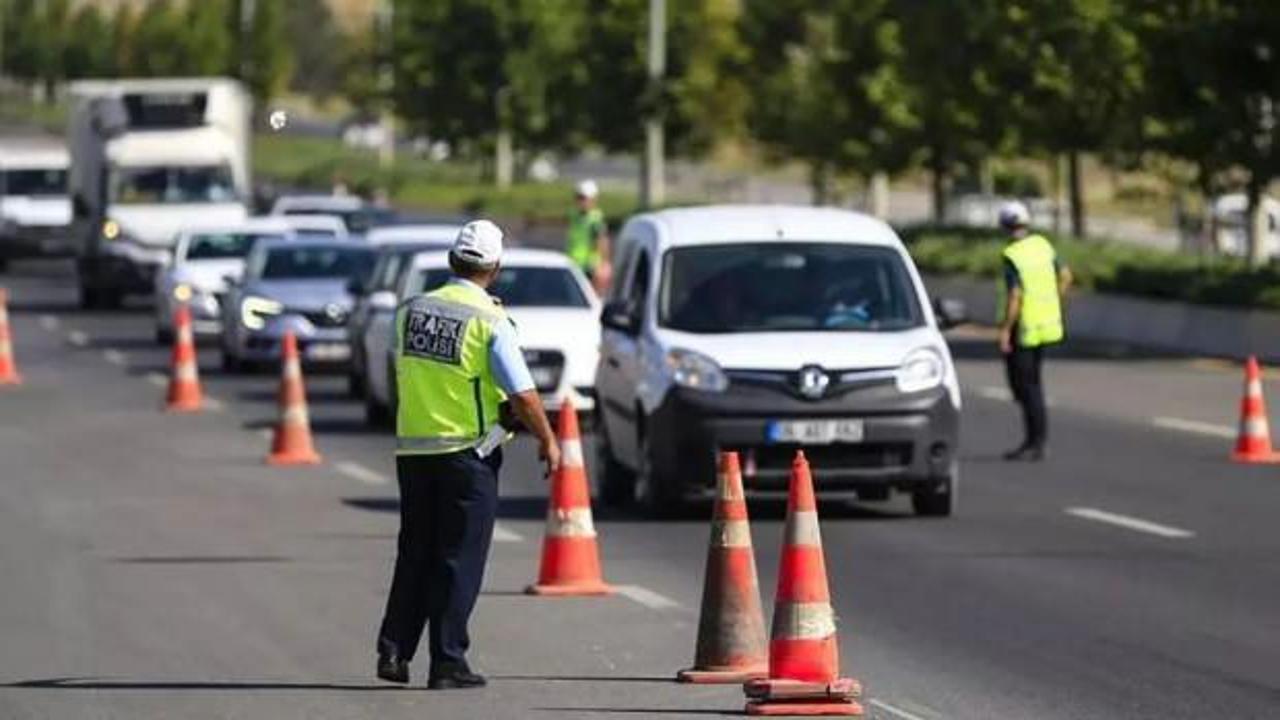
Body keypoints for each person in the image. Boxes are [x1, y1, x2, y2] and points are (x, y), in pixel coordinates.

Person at [376, 220, 561, 689]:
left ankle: (394, 651)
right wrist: (549, 439)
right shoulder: (489, 321)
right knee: (458, 559)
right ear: (494, 268)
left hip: (413, 451)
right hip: (466, 453)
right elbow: (522, 394)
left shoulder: (411, 311)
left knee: (415, 552)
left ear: (451, 261)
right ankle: (447, 661)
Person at [997, 201, 1072, 462]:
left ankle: (1035, 441)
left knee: (1026, 387)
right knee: (1034, 385)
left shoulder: (1012, 255)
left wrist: (1006, 330)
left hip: (1024, 327)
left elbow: (1015, 295)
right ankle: (1035, 440)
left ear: (1004, 226)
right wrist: (1054, 303)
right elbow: (1066, 276)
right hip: (1046, 324)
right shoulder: (1042, 245)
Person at [566, 179, 611, 294]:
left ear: (593, 200)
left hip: (590, 266)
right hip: (573, 262)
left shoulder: (595, 219)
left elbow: (602, 241)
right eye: (579, 197)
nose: (581, 201)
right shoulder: (574, 215)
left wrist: (604, 264)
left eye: (584, 198)